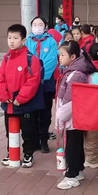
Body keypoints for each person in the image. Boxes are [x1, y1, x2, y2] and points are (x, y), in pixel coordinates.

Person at [0, 24, 44, 168]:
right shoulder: (6, 58)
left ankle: (28, 154)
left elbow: (33, 82)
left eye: (15, 38)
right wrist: (4, 96)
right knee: (9, 130)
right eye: (9, 38)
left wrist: (20, 98)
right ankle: (12, 152)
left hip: (25, 103)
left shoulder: (31, 59)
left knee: (28, 131)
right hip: (9, 103)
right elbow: (1, 78)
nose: (11, 41)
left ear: (23, 40)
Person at [55, 41, 97, 190]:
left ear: (73, 56)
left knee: (72, 146)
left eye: (62, 55)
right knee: (76, 144)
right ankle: (78, 170)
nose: (59, 57)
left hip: (72, 117)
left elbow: (69, 100)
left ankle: (72, 176)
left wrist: (60, 117)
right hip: (75, 117)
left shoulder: (75, 74)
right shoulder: (73, 71)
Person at [25, 16, 59, 154]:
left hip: (46, 82)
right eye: (34, 24)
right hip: (31, 82)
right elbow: (25, 60)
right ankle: (34, 141)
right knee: (33, 112)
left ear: (45, 26)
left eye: (40, 24)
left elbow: (52, 61)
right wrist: (33, 77)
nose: (37, 27)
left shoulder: (51, 41)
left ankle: (44, 140)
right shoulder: (27, 41)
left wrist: (40, 76)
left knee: (45, 113)